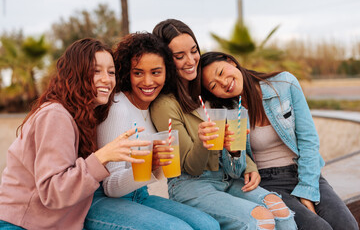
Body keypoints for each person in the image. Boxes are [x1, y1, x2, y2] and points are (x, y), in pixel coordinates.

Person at [151, 18, 297, 230]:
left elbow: (233, 146)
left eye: (193, 51)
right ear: (166, 60)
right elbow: (191, 167)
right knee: (260, 219)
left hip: (228, 178)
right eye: (179, 56)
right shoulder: (165, 104)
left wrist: (247, 163)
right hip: (191, 186)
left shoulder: (208, 88)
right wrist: (205, 141)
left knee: (280, 211)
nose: (191, 60)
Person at [0, 38, 152, 230]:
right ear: (76, 73)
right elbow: (53, 191)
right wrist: (102, 156)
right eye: (96, 71)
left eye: (111, 72)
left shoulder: (82, 115)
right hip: (21, 224)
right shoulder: (56, 115)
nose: (107, 79)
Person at [199, 51, 359, 230]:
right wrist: (233, 151)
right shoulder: (224, 113)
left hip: (303, 171)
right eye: (213, 86)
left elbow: (308, 140)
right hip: (267, 182)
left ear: (231, 62)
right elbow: (234, 172)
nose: (223, 83)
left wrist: (307, 190)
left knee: (348, 225)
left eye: (221, 73)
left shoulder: (284, 83)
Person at [85, 32, 220, 230]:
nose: (148, 82)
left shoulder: (154, 107)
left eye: (156, 72)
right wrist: (151, 167)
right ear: (126, 73)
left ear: (167, 73)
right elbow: (110, 187)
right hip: (103, 201)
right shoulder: (117, 108)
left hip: (140, 195)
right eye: (138, 73)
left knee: (208, 225)